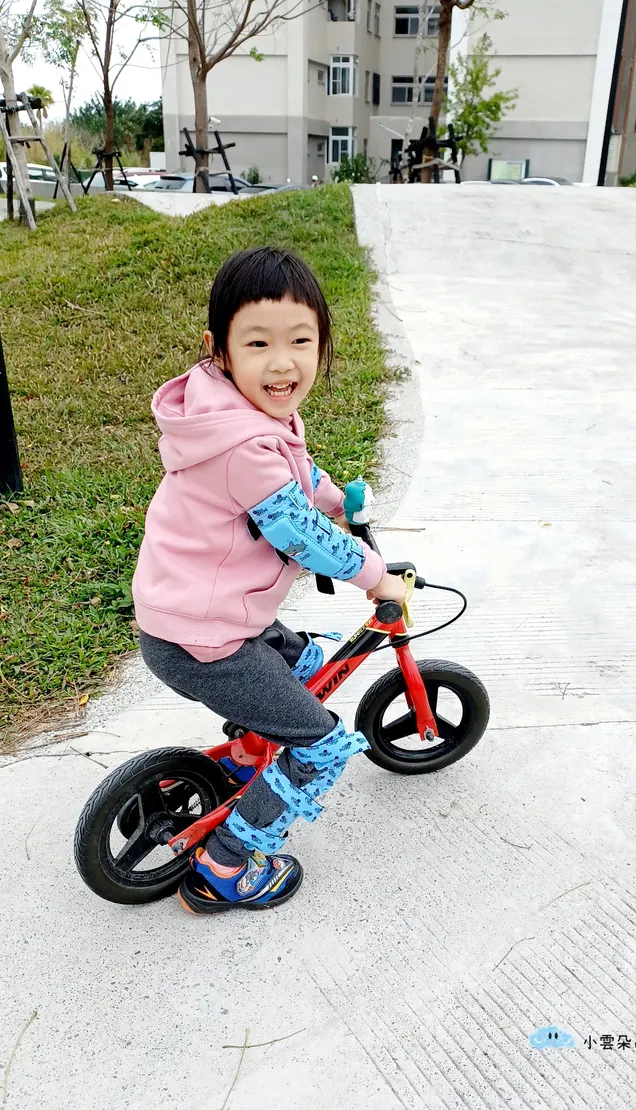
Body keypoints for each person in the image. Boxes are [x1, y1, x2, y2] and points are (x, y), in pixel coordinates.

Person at [132, 247, 406, 914]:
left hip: (200, 613)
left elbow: (296, 477)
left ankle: (249, 748)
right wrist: (375, 577)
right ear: (220, 349)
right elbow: (297, 534)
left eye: (300, 342)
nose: (282, 363)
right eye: (258, 342)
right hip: (209, 636)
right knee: (325, 746)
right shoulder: (243, 444)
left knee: (307, 664)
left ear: (323, 346)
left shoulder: (238, 412)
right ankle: (225, 866)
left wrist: (338, 498)